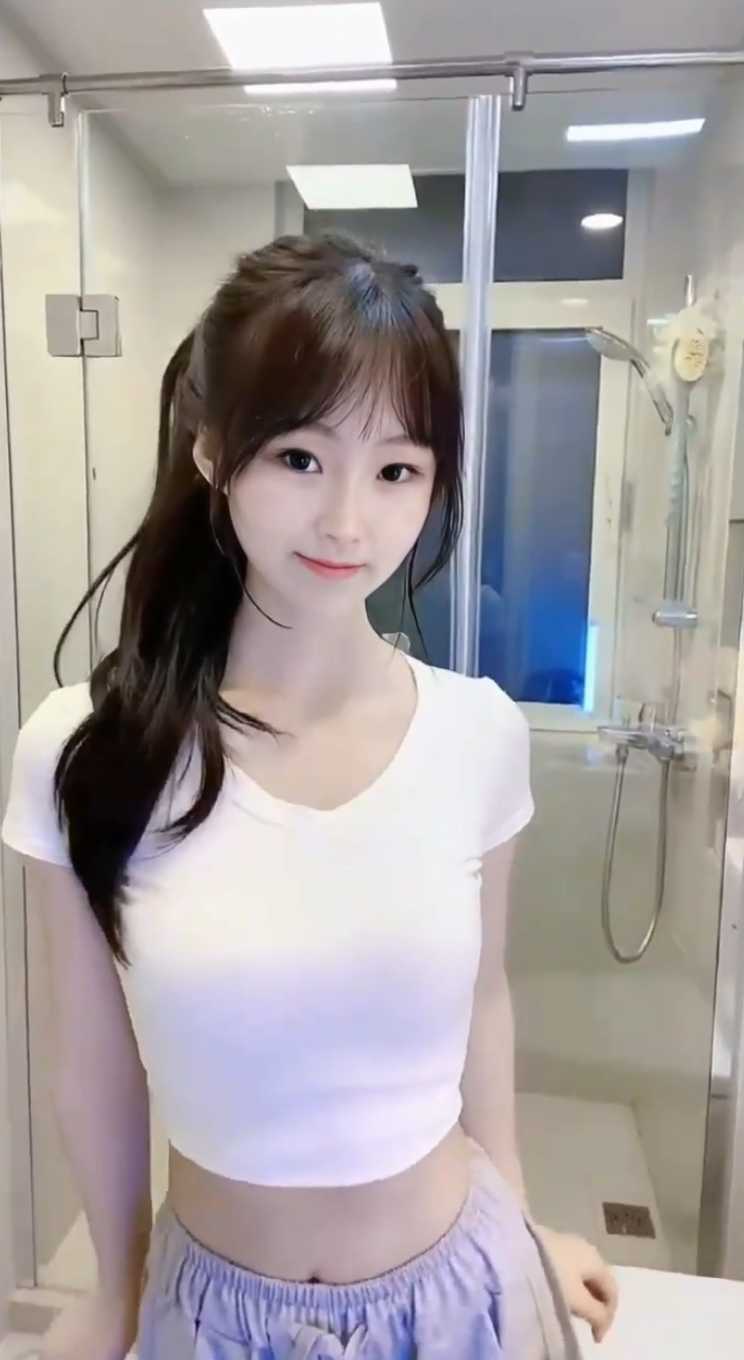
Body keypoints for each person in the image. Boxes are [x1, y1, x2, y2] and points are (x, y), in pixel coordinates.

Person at [1, 232, 618, 1359]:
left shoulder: (478, 733)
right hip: (212, 1317)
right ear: (211, 450)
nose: (347, 521)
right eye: (298, 457)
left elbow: (482, 1004)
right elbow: (92, 1065)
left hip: (465, 1302)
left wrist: (525, 1217)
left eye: (397, 471)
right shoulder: (86, 751)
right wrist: (113, 1292)